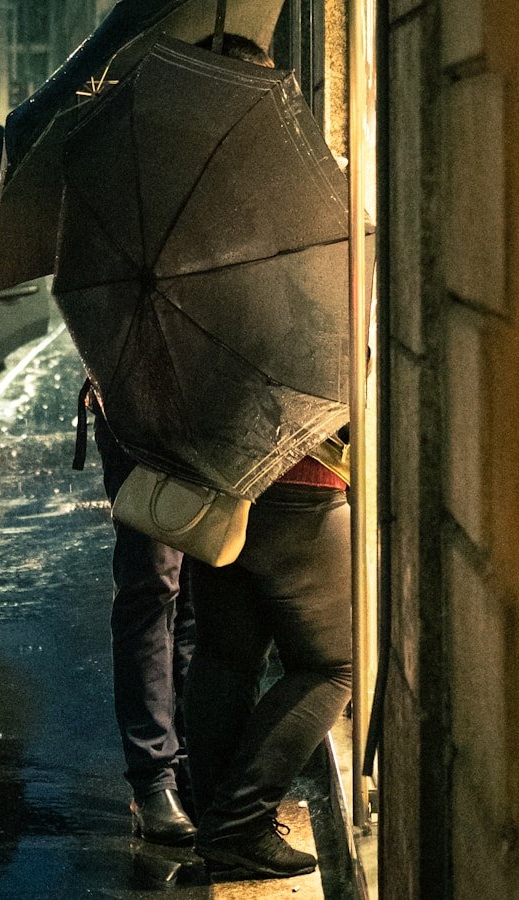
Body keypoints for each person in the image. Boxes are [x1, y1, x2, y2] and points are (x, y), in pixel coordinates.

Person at [173, 33, 355, 881]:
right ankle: (240, 821)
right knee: (333, 661)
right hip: (294, 464)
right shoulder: (284, 198)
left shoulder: (178, 203)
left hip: (216, 461)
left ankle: (216, 819)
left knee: (227, 653)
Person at [86, 388, 199, 845]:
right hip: (139, 409)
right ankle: (155, 778)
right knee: (152, 584)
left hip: (207, 407)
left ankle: (190, 765)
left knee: (196, 593)